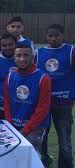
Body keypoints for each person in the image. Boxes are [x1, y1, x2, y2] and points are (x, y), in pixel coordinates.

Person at [4, 45, 51, 166]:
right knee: (11, 158)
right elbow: (7, 102)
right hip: (14, 126)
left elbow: (43, 108)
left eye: (26, 55)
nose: (22, 59)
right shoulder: (10, 76)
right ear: (14, 58)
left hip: (35, 128)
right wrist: (10, 125)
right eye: (18, 55)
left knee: (30, 160)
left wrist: (26, 130)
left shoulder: (43, 78)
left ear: (33, 57)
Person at [36, 24, 74, 168]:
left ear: (62, 35)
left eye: (56, 35)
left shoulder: (71, 51)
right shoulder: (39, 53)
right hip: (43, 104)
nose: (53, 38)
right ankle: (42, 163)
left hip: (64, 103)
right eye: (50, 35)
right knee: (42, 137)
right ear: (46, 36)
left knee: (64, 141)